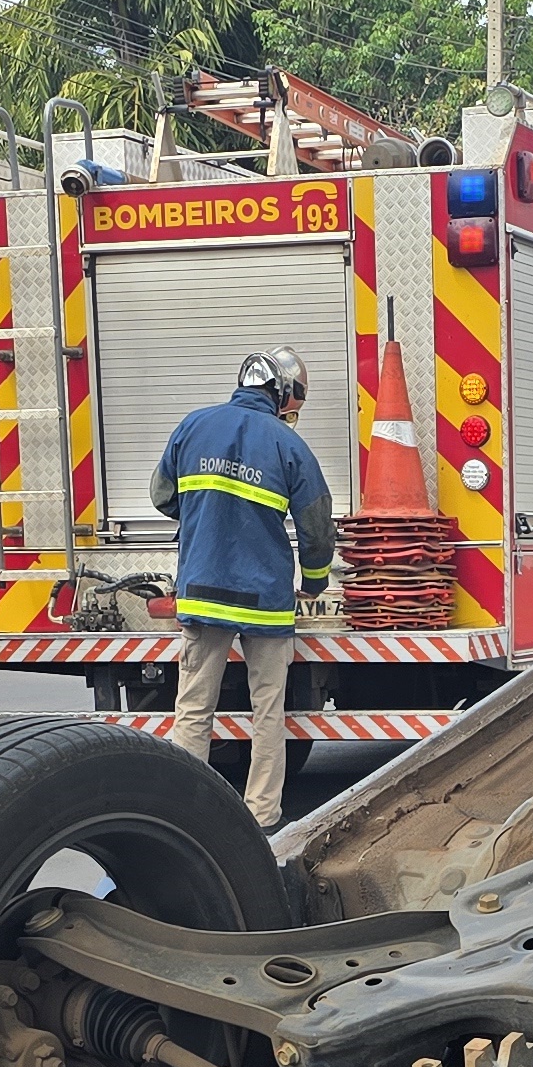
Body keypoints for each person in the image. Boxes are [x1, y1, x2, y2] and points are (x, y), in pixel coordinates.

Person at [151, 345, 334, 829]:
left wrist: (201, 514)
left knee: (193, 710)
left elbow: (161, 496)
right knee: (267, 712)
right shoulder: (286, 444)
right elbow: (317, 526)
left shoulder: (193, 426)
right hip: (266, 605)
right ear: (279, 393)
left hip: (202, 592)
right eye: (292, 401)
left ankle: (184, 814)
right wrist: (313, 581)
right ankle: (262, 816)